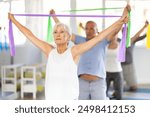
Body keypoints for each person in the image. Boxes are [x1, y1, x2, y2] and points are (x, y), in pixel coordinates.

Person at [8, 7, 128, 100]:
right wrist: (14, 20)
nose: (58, 34)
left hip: (70, 101)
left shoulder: (74, 51)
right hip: (51, 100)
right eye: (55, 32)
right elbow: (30, 35)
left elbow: (98, 38)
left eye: (61, 32)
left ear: (69, 37)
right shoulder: (49, 50)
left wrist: (120, 21)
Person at [50, 5, 130, 100]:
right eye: (87, 28)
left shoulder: (102, 40)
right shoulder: (80, 40)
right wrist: (54, 17)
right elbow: (64, 31)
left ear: (97, 30)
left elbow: (115, 30)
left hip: (98, 82)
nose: (89, 30)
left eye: (92, 28)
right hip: (81, 82)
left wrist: (124, 13)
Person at [121, 20, 149, 91]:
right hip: (120, 65)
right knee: (119, 85)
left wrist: (145, 27)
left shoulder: (132, 40)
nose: (125, 32)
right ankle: (119, 89)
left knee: (134, 88)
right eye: (123, 31)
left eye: (126, 31)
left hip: (129, 65)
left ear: (128, 32)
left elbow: (142, 36)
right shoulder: (118, 41)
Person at [105, 32, 124, 100]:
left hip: (117, 71)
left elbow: (128, 39)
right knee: (104, 93)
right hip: (106, 71)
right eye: (112, 35)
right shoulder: (105, 46)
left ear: (117, 36)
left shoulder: (120, 46)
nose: (113, 37)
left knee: (119, 94)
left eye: (114, 35)